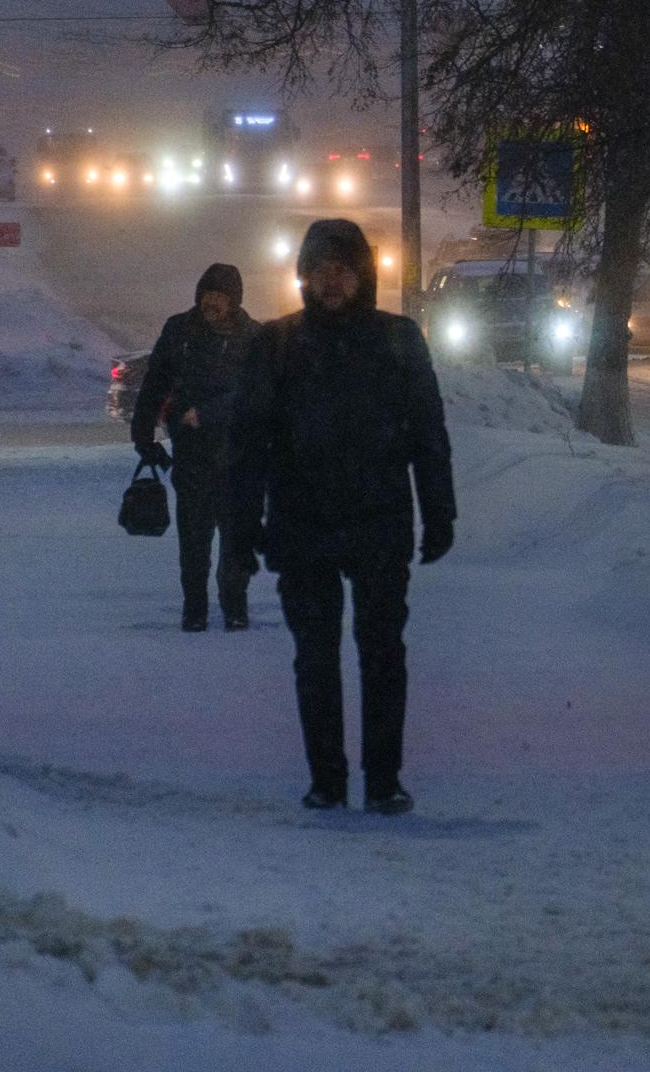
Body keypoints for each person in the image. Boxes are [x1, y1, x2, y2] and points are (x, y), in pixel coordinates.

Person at [227, 219, 455, 815]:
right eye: (321, 272)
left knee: (383, 654)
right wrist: (242, 529)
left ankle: (384, 780)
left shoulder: (399, 340)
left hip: (379, 521)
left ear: (363, 278)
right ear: (304, 277)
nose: (331, 283)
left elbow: (429, 434)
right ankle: (326, 778)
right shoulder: (277, 344)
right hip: (303, 524)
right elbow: (250, 443)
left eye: (343, 272)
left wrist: (440, 514)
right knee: (315, 658)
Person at [133, 264, 261, 632]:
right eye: (208, 296)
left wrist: (206, 413)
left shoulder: (253, 338)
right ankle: (195, 609)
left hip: (239, 458)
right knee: (193, 538)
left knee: (236, 540)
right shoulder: (179, 331)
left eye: (220, 298)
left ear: (234, 301)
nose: (212, 304)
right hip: (192, 456)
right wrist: (144, 436)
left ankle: (235, 606)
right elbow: (155, 383)